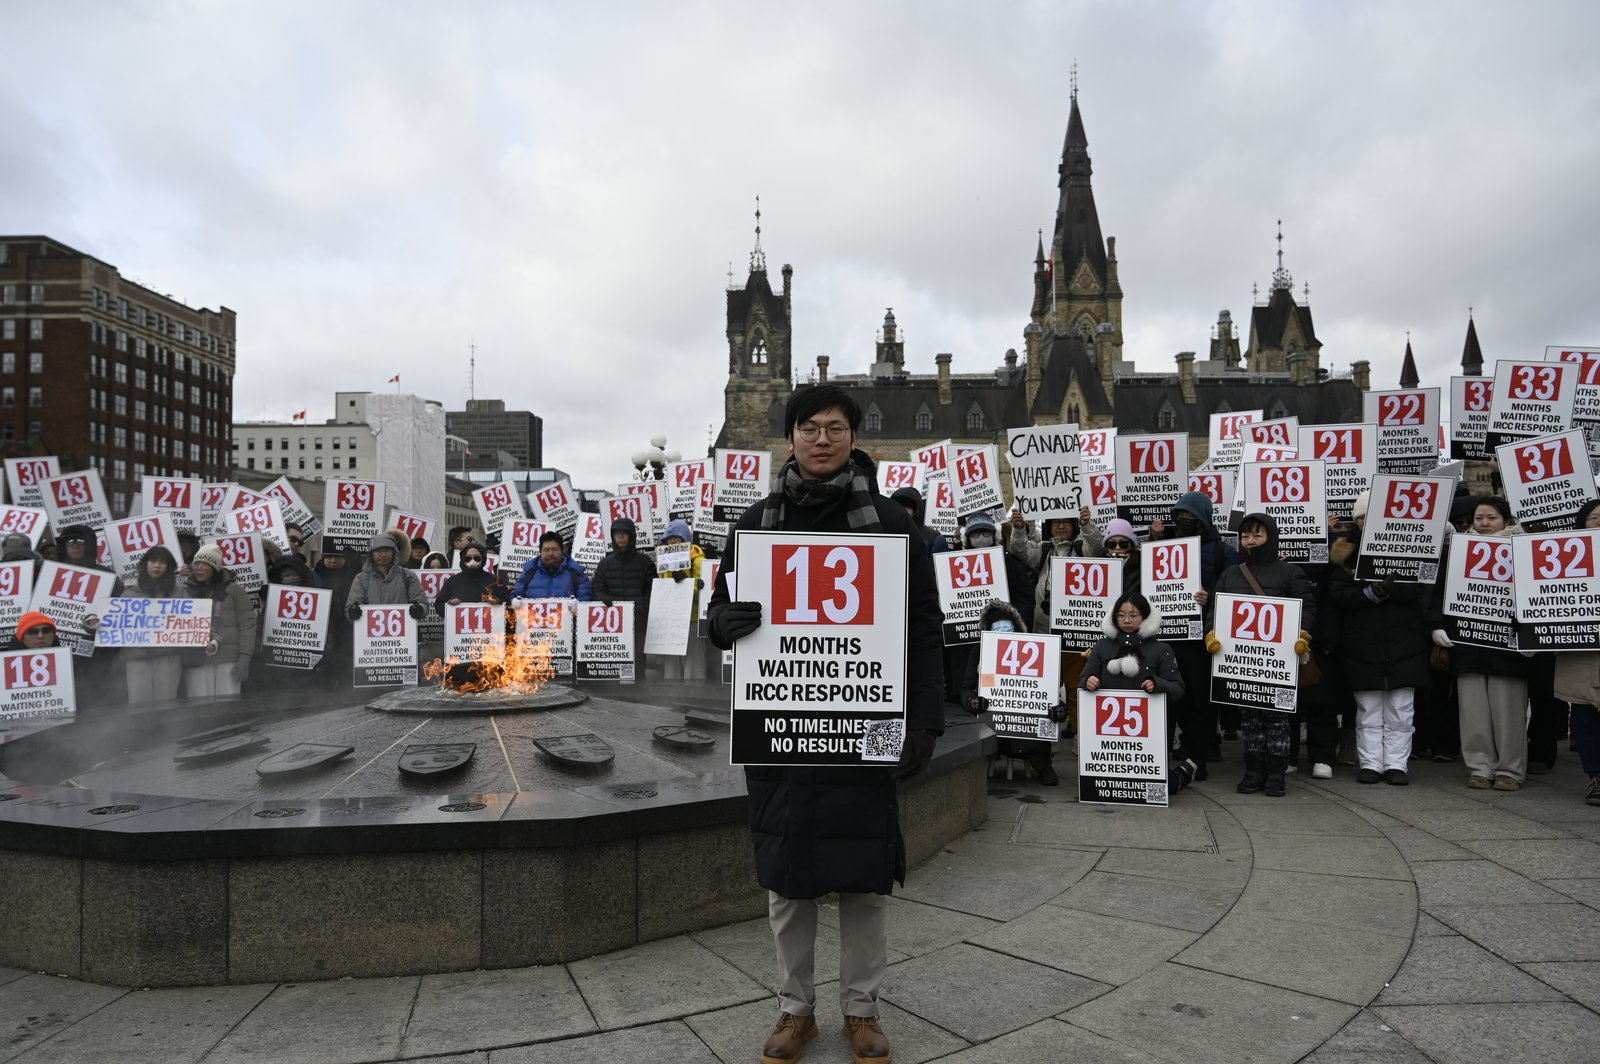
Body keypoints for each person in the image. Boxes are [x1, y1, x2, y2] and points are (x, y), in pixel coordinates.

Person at [707, 385, 942, 1064]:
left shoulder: (895, 526)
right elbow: (719, 610)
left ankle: (862, 1011)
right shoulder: (754, 524)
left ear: (852, 437)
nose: (821, 439)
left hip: (863, 722)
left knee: (866, 879)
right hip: (782, 726)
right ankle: (794, 1011)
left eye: (834, 428)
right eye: (809, 427)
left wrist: (924, 721)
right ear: (790, 439)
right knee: (788, 881)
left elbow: (924, 632)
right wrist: (724, 624)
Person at [1204, 513, 1316, 796]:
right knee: (1250, 719)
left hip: (1278, 661)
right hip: (1242, 662)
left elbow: (1308, 608)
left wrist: (1303, 633)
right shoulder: (1230, 574)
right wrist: (1211, 633)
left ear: (1271, 537)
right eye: (1245, 535)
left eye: (1257, 534)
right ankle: (1253, 770)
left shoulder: (1290, 573)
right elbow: (1216, 610)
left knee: (1277, 719)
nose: (1250, 540)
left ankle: (1277, 773)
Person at [1327, 490, 1431, 785]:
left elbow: (1419, 589)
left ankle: (1397, 764)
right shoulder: (1345, 555)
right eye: (1362, 519)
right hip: (1363, 646)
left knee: (1401, 710)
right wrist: (1369, 594)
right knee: (1368, 711)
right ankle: (1371, 763)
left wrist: (1391, 588)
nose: (1366, 523)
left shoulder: (1410, 550)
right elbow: (1338, 596)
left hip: (1403, 645)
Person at [1429, 496, 1532, 790]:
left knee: (1509, 712)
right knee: (1472, 711)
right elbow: (1440, 592)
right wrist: (1436, 625)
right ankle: (1479, 766)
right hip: (1468, 643)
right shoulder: (1458, 550)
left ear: (1507, 521)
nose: (1484, 524)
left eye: (1491, 518)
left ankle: (1509, 771)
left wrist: (1531, 635)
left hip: (1508, 646)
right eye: (1479, 518)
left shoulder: (1523, 549)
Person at [1149, 491, 1237, 777]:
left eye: (1190, 516)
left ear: (1204, 519)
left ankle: (1200, 756)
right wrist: (1155, 541)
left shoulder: (1224, 551)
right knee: (1175, 697)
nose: (1184, 520)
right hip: (1169, 637)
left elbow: (1236, 592)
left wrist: (1210, 597)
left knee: (1201, 698)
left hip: (1202, 638)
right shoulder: (1165, 546)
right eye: (1180, 516)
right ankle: (1181, 747)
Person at [1080, 592, 1198, 793]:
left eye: (1133, 615)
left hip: (1148, 736)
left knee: (1157, 788)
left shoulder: (1162, 649)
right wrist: (1089, 681)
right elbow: (1083, 678)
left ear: (1145, 617)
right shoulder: (1102, 645)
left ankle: (1182, 773)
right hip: (1108, 738)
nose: (1126, 620)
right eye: (1121, 615)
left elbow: (1178, 688)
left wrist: (1156, 683)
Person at [961, 598, 1069, 783]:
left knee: (1041, 716)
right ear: (988, 632)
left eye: (1007, 628)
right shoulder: (979, 651)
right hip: (992, 717)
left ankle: (1043, 764)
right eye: (997, 629)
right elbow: (966, 689)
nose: (1003, 633)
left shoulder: (1037, 650)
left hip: (1027, 720)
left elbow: (1052, 688)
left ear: (1016, 629)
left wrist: (1058, 708)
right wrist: (973, 702)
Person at [1555, 500, 1600, 805]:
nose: (1598, 523)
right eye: (1593, 518)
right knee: (1586, 720)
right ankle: (1595, 777)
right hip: (1583, 654)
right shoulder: (1564, 558)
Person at [181, 543, 257, 698]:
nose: (199, 567)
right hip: (197, 658)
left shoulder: (235, 590)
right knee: (199, 706)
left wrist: (244, 657)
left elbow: (247, 624)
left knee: (227, 707)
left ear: (215, 567)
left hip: (228, 659)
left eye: (205, 564)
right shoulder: (185, 591)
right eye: (196, 563)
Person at [119, 546, 185, 703]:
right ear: (144, 564)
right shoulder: (128, 593)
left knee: (166, 705)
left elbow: (194, 621)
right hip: (137, 658)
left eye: (163, 562)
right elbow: (115, 624)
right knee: (138, 705)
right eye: (153, 561)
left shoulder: (180, 592)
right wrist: (95, 623)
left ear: (169, 567)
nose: (157, 566)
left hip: (168, 657)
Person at [591, 516, 655, 678]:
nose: (620, 537)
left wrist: (641, 606)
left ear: (631, 536)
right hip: (614, 625)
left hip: (638, 623)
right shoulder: (605, 564)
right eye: (617, 534)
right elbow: (597, 588)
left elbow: (653, 589)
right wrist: (603, 598)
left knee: (638, 661)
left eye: (624, 533)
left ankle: (641, 697)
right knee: (615, 666)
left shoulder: (645, 562)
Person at [655, 519, 708, 681]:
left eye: (675, 538)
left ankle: (696, 699)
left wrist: (685, 582)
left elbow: (703, 591)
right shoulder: (664, 560)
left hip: (691, 620)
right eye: (668, 539)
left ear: (684, 538)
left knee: (693, 666)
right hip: (671, 621)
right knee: (671, 668)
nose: (671, 541)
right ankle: (671, 701)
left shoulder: (697, 560)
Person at [346, 530, 431, 619]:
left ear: (394, 552)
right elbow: (351, 606)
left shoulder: (408, 576)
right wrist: (352, 612)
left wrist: (419, 609)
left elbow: (422, 603)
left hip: (403, 631)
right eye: (378, 550)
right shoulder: (361, 579)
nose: (383, 554)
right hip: (370, 631)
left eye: (387, 550)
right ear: (371, 553)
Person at [512, 531, 592, 600]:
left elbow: (585, 600)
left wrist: (576, 607)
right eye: (546, 550)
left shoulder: (577, 574)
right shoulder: (529, 572)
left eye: (554, 549)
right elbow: (516, 595)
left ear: (562, 551)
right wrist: (515, 601)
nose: (550, 553)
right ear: (540, 552)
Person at [436, 541, 506, 615]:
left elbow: (508, 604)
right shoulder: (452, 582)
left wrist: (498, 601)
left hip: (491, 624)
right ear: (463, 559)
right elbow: (439, 606)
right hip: (460, 625)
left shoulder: (495, 580)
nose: (472, 561)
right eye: (468, 558)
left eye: (476, 558)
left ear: (483, 559)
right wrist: (449, 603)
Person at [889, 486, 948, 561]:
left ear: (916, 511)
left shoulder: (934, 539)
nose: (900, 510)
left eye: (906, 507)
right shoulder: (885, 534)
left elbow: (936, 571)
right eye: (897, 506)